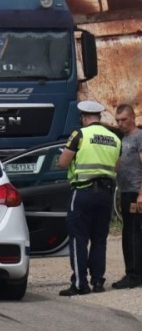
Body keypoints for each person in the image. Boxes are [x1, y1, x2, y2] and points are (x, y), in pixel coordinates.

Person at [57, 100, 121, 296]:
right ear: (99, 117)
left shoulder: (80, 134)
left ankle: (79, 283)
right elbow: (116, 168)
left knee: (78, 237)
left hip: (83, 191)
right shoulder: (114, 138)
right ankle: (98, 282)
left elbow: (62, 162)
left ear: (84, 117)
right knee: (100, 238)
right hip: (105, 194)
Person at [112, 104, 142, 289]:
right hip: (125, 190)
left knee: (132, 234)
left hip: (135, 191)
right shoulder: (122, 139)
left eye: (123, 120)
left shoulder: (139, 136)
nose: (120, 123)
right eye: (117, 121)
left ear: (133, 118)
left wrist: (141, 193)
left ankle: (133, 274)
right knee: (131, 231)